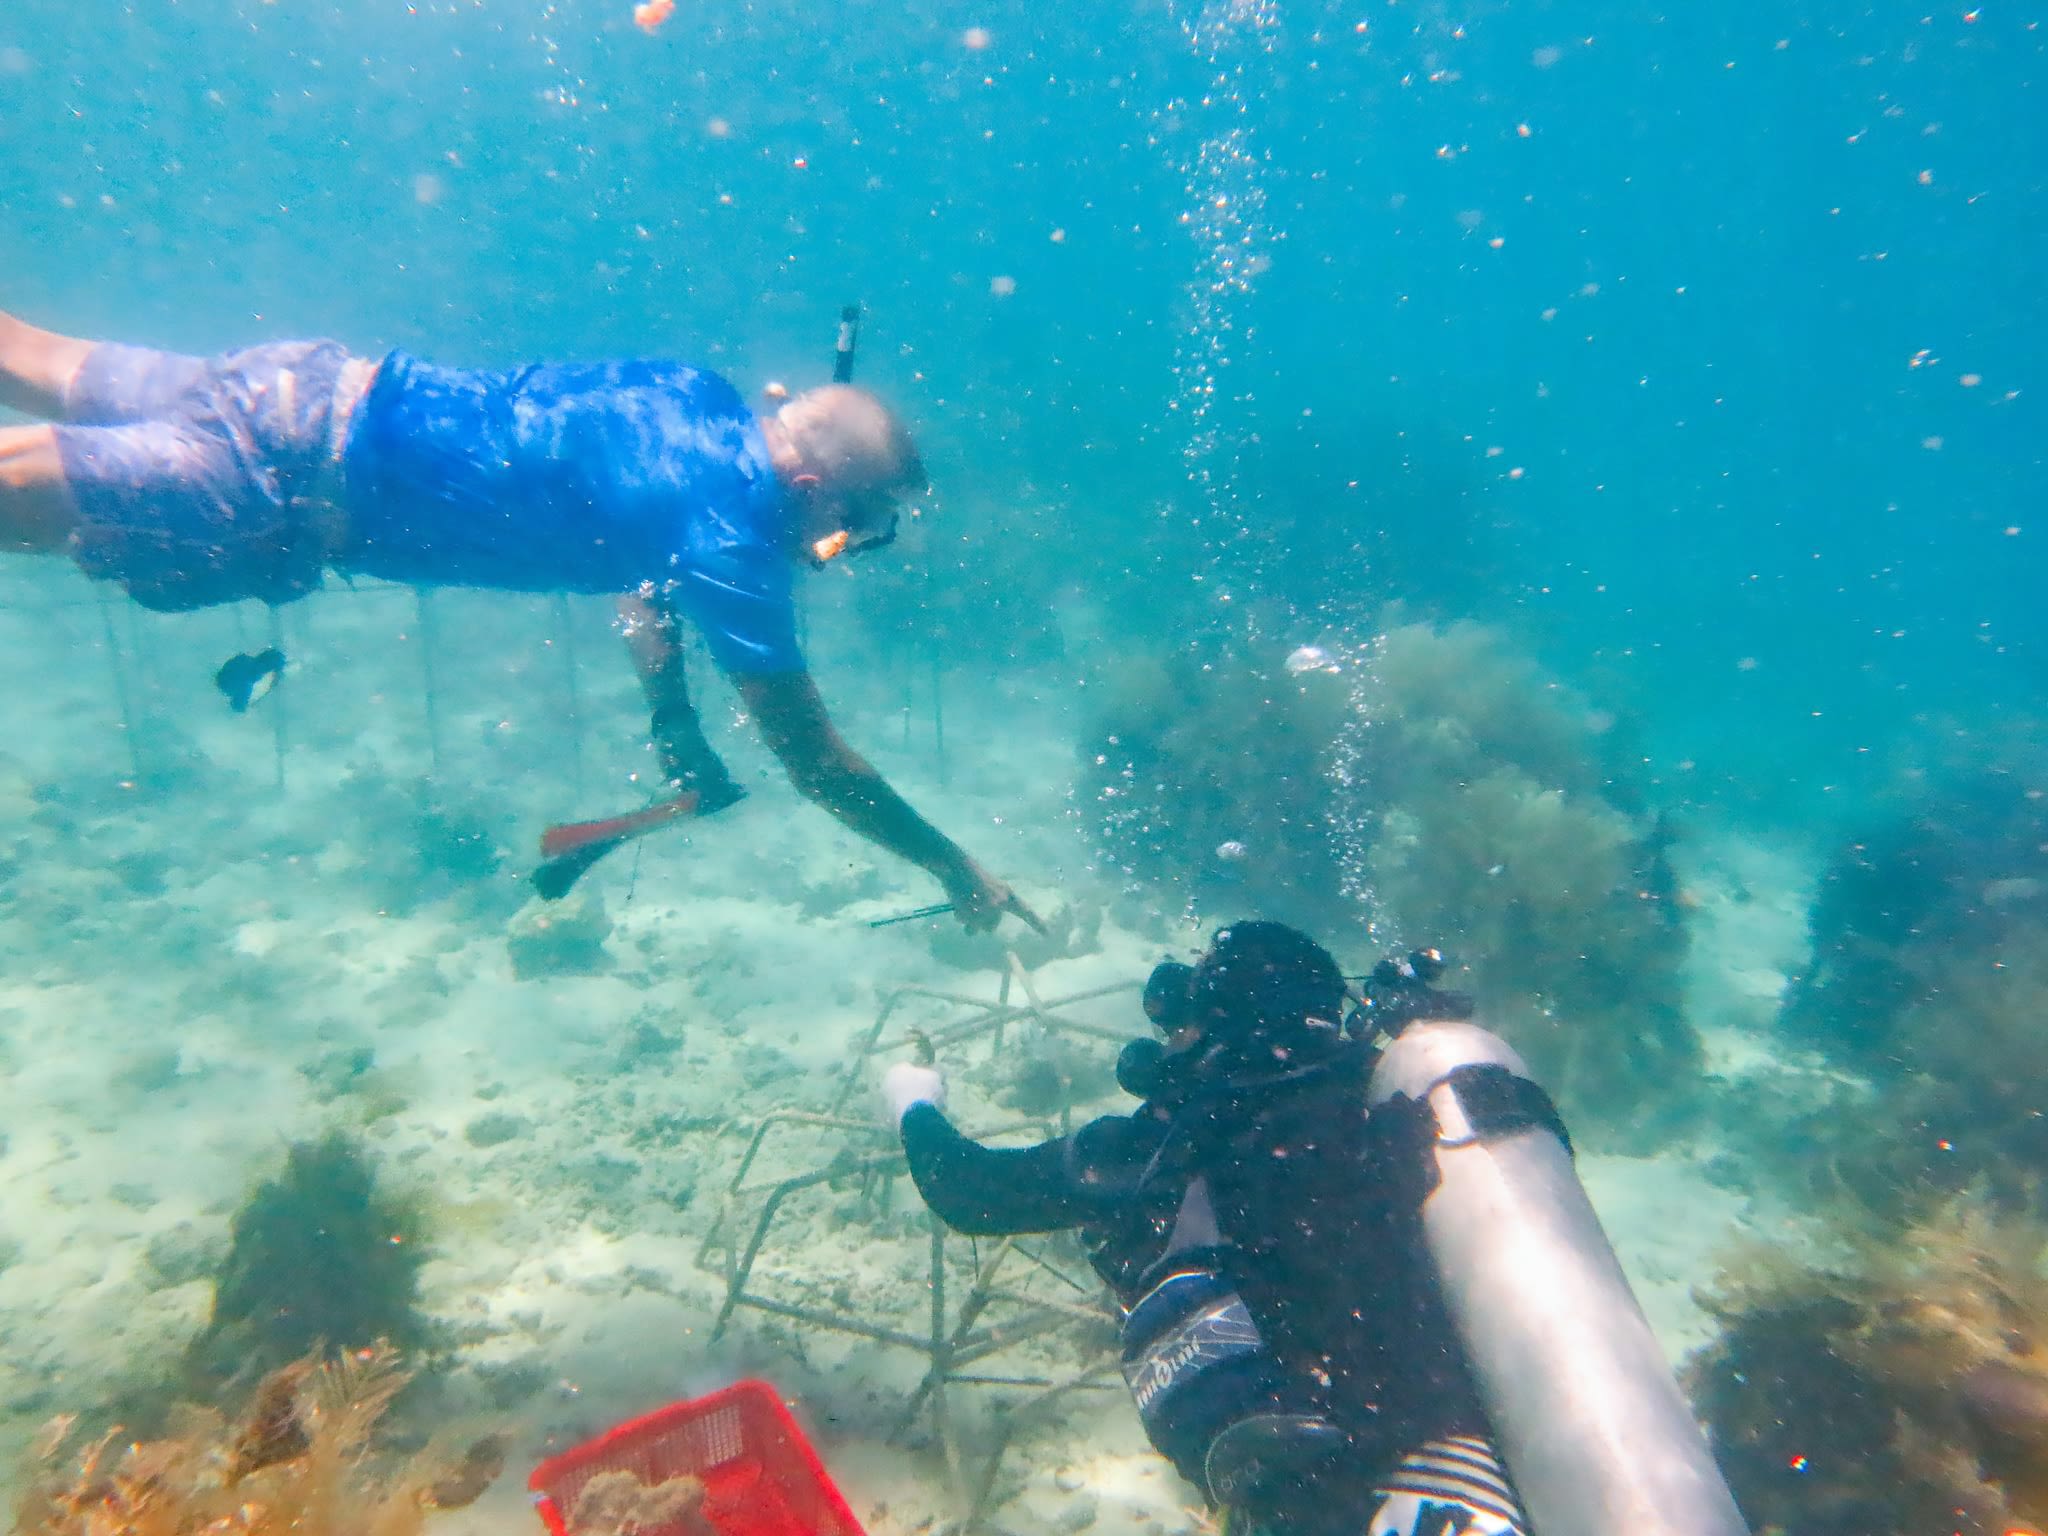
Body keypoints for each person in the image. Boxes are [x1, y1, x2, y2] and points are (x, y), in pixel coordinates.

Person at [0, 306, 1035, 930]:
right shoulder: (734, 539)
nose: (843, 548)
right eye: (856, 525)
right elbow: (817, 763)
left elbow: (639, 574)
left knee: (30, 355)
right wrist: (955, 867)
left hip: (299, 383)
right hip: (279, 480)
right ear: (811, 486)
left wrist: (674, 726)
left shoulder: (696, 396)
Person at [880, 923, 1755, 1536]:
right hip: (1497, 1454)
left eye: (1184, 1006)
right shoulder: (1402, 1108)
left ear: (1211, 1019)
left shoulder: (1174, 1136)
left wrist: (916, 1099)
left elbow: (967, 1191)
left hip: (1334, 1484)